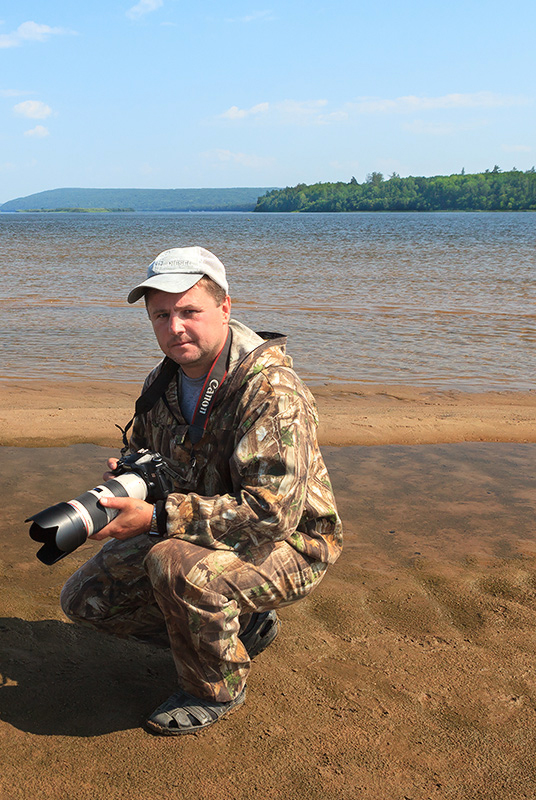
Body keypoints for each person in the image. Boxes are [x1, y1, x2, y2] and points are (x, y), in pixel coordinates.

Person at [59, 246, 342, 735]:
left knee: (174, 565)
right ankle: (241, 628)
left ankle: (214, 687)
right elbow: (153, 456)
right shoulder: (162, 382)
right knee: (86, 599)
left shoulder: (270, 390)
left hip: (293, 544)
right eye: (162, 315)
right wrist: (132, 477)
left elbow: (271, 514)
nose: (175, 328)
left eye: (190, 312)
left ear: (225, 308)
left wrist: (154, 519)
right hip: (200, 528)